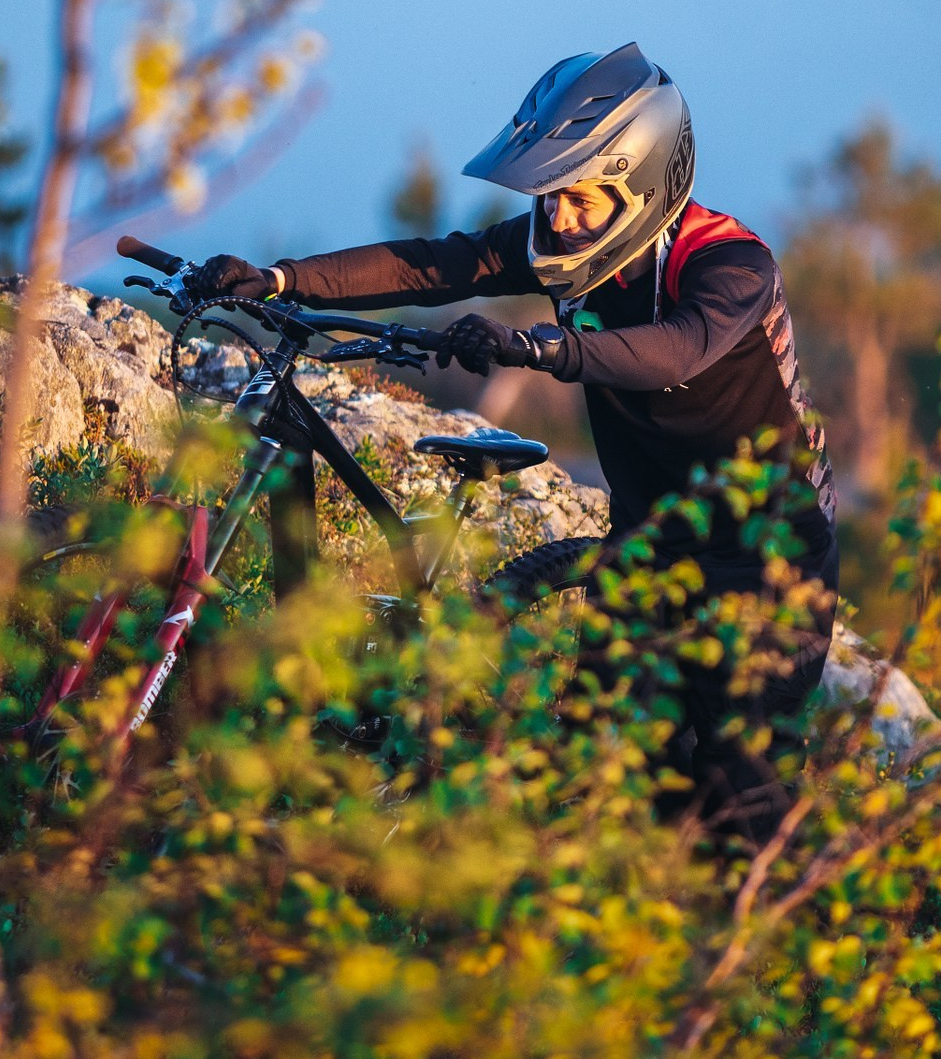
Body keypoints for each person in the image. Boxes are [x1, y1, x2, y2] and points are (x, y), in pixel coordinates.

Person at [187, 42, 836, 841]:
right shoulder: (558, 242)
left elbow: (679, 349)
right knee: (636, 780)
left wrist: (541, 348)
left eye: (580, 201)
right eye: (549, 199)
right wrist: (283, 278)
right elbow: (438, 264)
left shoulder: (729, 265)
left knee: (740, 789)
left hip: (767, 558)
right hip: (651, 537)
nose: (558, 220)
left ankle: (777, 954)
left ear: (641, 187)